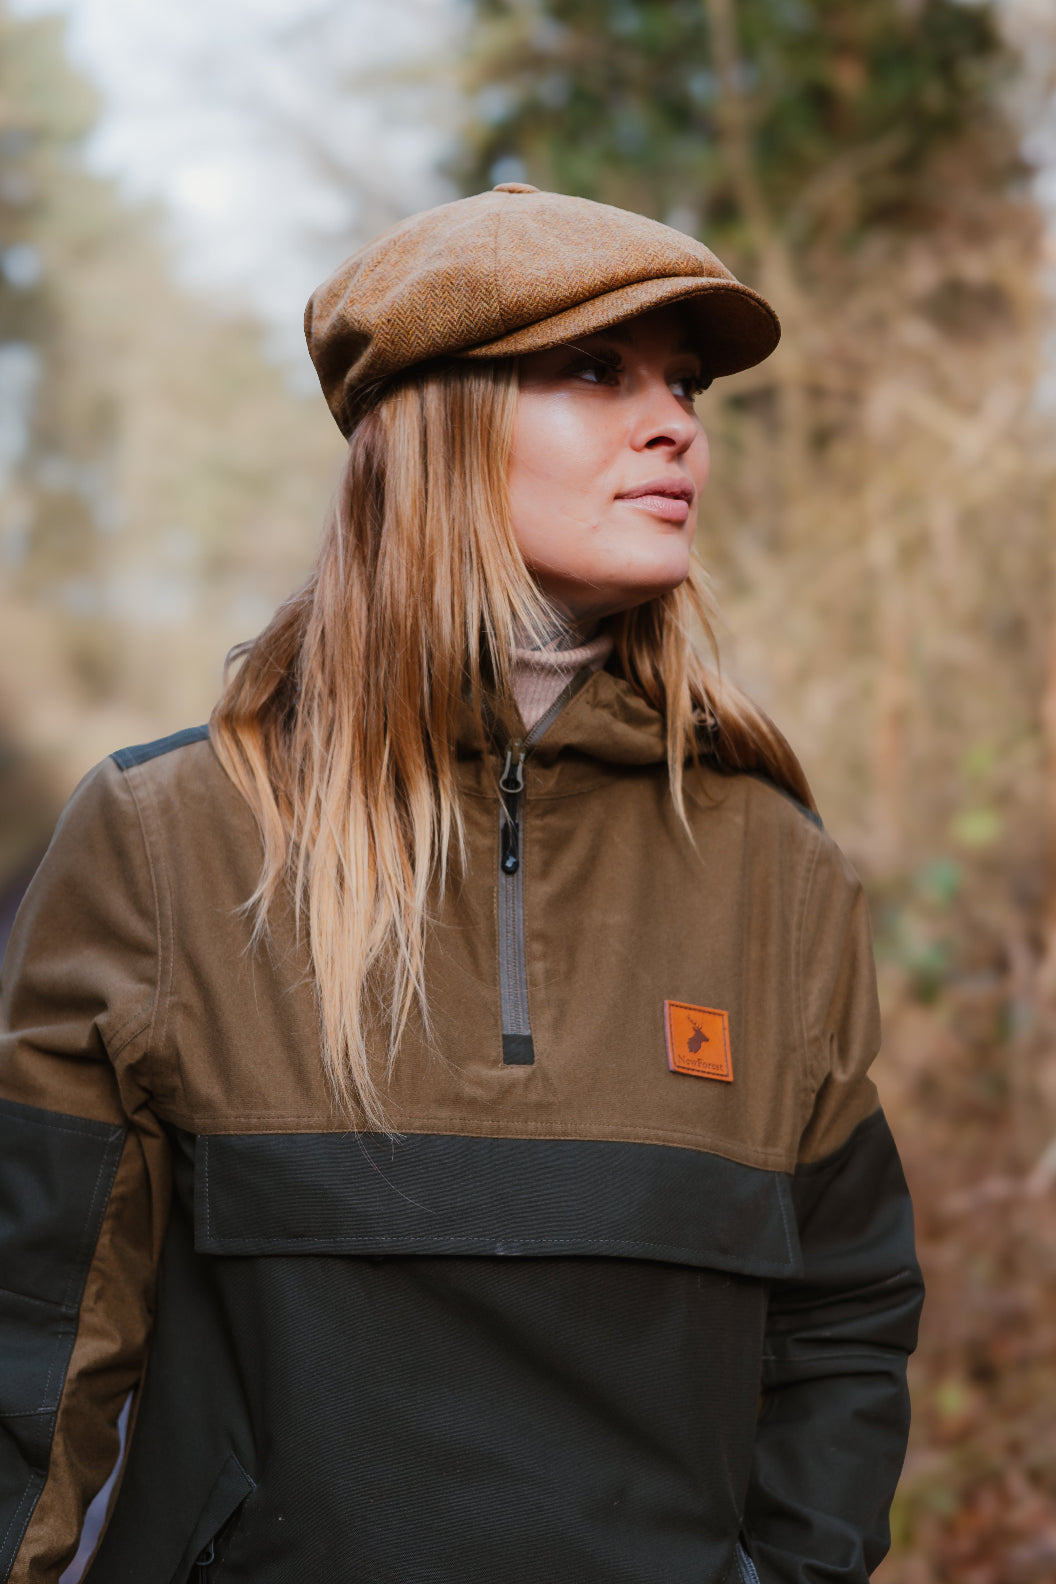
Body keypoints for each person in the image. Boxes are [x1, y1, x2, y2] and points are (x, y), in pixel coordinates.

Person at [0, 184, 923, 1584]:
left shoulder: (772, 870)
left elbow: (845, 1319)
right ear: (434, 427)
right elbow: (32, 1340)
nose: (676, 422)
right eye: (597, 369)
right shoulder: (167, 837)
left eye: (685, 381)